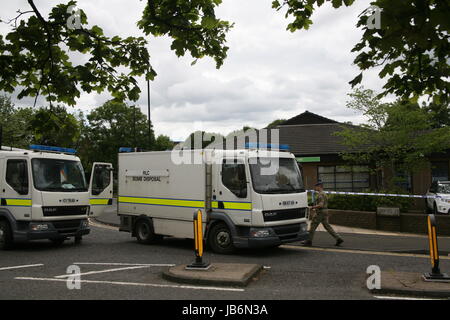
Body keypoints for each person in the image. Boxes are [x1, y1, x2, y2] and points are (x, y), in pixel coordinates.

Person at [303, 182, 343, 247]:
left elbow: (321, 205)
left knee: (313, 225)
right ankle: (338, 238)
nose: (315, 188)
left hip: (320, 213)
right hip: (325, 212)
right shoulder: (324, 193)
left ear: (319, 186)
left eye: (316, 186)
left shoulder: (320, 194)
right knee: (327, 227)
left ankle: (309, 241)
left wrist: (312, 207)